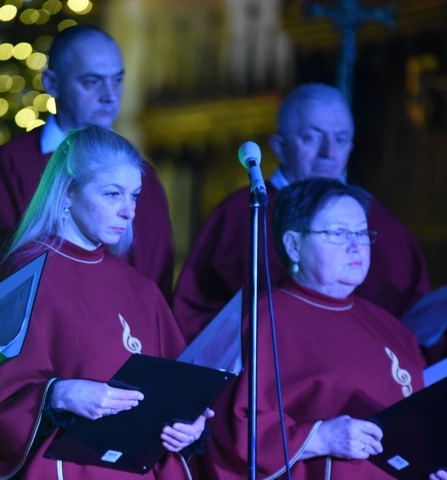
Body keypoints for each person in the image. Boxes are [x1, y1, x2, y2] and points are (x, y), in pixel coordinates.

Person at [0, 126, 211, 479]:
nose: (129, 211)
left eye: (134, 195)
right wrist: (58, 395)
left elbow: (177, 389)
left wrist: (189, 426)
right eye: (112, 194)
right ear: (68, 192)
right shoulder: (24, 274)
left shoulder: (141, 288)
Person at [195, 177, 425, 479]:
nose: (356, 246)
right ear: (293, 245)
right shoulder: (263, 320)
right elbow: (232, 429)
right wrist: (320, 438)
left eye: (362, 232)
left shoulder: (395, 331)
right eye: (339, 233)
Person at [173, 83, 431, 341]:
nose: (328, 152)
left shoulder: (383, 225)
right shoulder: (240, 215)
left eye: (340, 139)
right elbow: (192, 316)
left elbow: (417, 326)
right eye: (311, 138)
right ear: (280, 147)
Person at [0, 24, 175, 301]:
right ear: (52, 83)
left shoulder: (143, 178)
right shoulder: (7, 166)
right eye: (92, 82)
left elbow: (156, 287)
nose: (109, 95)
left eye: (117, 80)